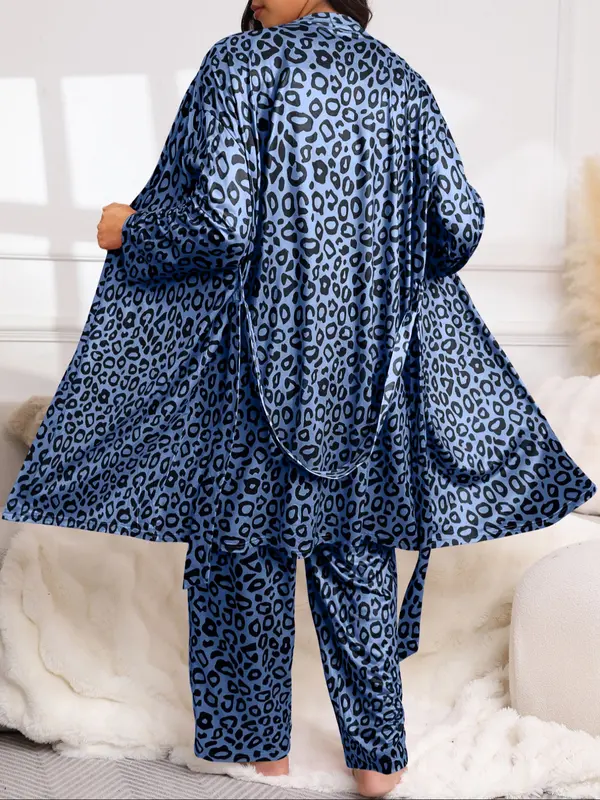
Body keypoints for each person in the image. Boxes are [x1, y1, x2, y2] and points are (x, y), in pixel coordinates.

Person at [2, 0, 597, 797]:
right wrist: (374, 249)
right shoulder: (401, 82)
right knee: (356, 553)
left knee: (242, 552)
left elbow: (219, 225)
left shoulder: (240, 65)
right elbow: (457, 227)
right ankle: (378, 761)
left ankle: (259, 763)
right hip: (367, 380)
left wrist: (128, 228)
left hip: (256, 367)